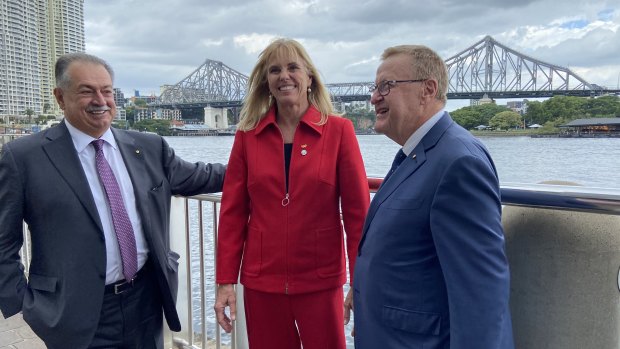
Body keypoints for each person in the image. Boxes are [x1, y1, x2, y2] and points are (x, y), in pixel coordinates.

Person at [0, 52, 226, 349]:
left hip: (146, 299)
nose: (100, 100)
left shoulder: (147, 146)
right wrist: (22, 303)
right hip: (74, 311)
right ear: (60, 97)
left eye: (107, 90)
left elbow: (202, 176)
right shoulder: (23, 157)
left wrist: (266, 163)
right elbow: (3, 241)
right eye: (86, 91)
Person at [352, 45, 514, 348]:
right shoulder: (418, 154)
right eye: (375, 88)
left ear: (428, 90)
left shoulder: (459, 162)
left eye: (386, 86)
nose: (374, 97)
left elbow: (482, 293)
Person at [214, 38, 369, 349]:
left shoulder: (339, 131)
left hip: (320, 279)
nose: (284, 76)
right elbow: (232, 213)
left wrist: (360, 283)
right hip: (262, 282)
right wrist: (225, 282)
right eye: (274, 70)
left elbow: (357, 217)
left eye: (292, 68)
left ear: (309, 77)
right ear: (266, 82)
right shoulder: (247, 135)